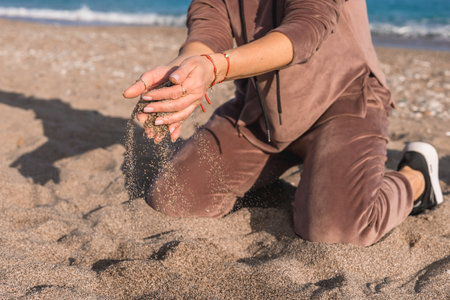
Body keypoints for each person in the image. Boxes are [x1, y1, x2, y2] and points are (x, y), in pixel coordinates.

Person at [123, 0, 443, 246]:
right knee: (172, 199)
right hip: (259, 112)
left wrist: (214, 68)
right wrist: (183, 75)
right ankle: (314, 183)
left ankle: (416, 180)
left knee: (337, 230)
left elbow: (305, 30)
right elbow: (208, 29)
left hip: (344, 103)